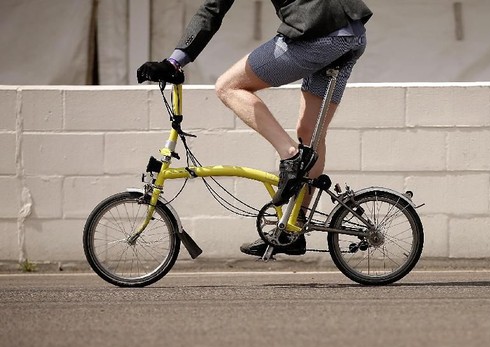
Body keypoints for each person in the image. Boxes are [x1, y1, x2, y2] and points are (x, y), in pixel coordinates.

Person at [137, 0, 372, 257]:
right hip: (352, 35)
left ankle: (290, 155)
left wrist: (174, 62)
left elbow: (212, 9)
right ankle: (293, 228)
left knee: (228, 86)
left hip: (318, 36)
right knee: (311, 131)